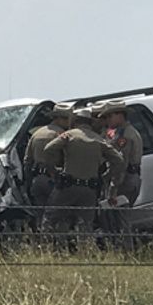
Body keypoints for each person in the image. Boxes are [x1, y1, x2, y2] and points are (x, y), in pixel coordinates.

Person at [42, 107, 125, 250]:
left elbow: (48, 149)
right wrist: (107, 176)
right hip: (89, 189)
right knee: (85, 224)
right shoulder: (98, 140)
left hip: (67, 186)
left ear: (75, 121)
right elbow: (118, 160)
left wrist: (53, 171)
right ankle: (84, 252)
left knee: (51, 218)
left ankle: (47, 249)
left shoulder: (70, 135)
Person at [98, 100, 143, 247]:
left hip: (124, 180)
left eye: (110, 116)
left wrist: (113, 187)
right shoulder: (122, 133)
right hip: (129, 177)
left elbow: (121, 164)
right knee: (118, 217)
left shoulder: (125, 136)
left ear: (120, 115)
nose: (108, 120)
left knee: (122, 218)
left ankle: (126, 251)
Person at [23, 103, 72, 230]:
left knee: (41, 216)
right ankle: (58, 245)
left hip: (37, 180)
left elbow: (27, 161)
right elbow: (68, 159)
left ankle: (43, 244)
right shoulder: (62, 135)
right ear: (60, 118)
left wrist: (29, 182)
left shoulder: (37, 134)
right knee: (59, 215)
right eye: (67, 119)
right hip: (54, 180)